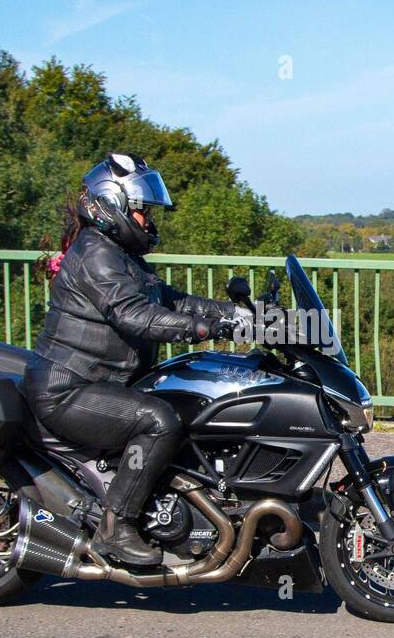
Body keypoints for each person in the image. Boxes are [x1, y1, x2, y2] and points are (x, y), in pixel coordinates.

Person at [25, 153, 243, 566]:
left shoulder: (121, 255)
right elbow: (134, 315)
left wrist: (240, 316)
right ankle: (116, 527)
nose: (149, 221)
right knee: (159, 421)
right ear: (112, 205)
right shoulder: (95, 254)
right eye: (142, 210)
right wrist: (201, 330)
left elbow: (172, 300)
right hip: (69, 388)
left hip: (103, 381)